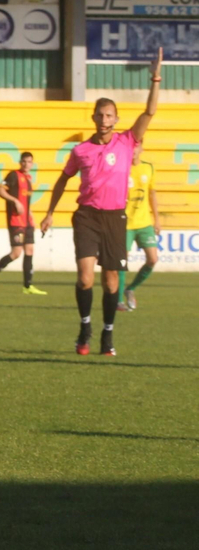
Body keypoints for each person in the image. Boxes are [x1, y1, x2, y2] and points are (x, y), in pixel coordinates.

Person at [41, 49, 161, 357]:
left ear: (116, 119)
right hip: (87, 216)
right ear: (94, 117)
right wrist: (49, 213)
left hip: (114, 217)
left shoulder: (126, 141)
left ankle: (107, 334)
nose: (105, 120)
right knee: (84, 277)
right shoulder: (81, 150)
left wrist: (155, 77)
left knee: (110, 283)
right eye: (100, 115)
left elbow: (149, 112)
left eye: (110, 115)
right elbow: (62, 180)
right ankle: (85, 327)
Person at [0, 152, 46, 295]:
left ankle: (27, 286)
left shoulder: (29, 179)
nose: (26, 164)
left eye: (29, 162)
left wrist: (31, 216)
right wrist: (15, 201)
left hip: (27, 221)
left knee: (29, 250)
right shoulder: (13, 175)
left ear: (32, 164)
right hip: (16, 220)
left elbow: (27, 202)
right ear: (20, 162)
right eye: (24, 161)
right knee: (16, 253)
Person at [118, 141, 160, 311]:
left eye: (136, 147)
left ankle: (131, 289)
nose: (133, 151)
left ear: (141, 148)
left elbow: (152, 194)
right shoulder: (122, 169)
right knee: (122, 262)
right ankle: (118, 300)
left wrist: (156, 219)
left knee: (153, 259)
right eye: (130, 148)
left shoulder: (148, 168)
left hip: (144, 223)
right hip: (125, 223)